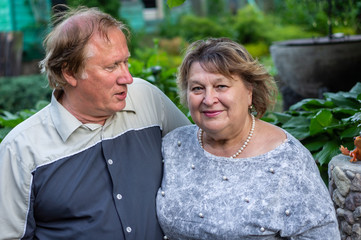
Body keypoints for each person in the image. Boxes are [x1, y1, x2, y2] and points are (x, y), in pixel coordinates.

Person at [0, 6, 190, 240]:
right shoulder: (21, 150)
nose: (127, 78)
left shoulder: (147, 98)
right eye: (111, 66)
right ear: (69, 72)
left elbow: (196, 157)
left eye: (126, 62)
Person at [156, 38, 340, 239]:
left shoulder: (288, 160)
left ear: (249, 92)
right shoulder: (173, 146)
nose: (208, 100)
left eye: (221, 86)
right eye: (197, 88)